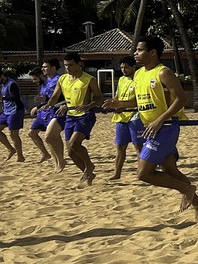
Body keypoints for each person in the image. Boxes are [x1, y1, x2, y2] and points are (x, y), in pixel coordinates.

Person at [103, 35, 198, 220]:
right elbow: (139, 100)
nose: (135, 53)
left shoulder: (163, 72)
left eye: (139, 50)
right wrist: (120, 103)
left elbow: (181, 99)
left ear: (152, 52)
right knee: (171, 171)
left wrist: (160, 119)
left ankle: (187, 189)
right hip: (150, 128)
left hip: (165, 127)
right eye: (136, 50)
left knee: (143, 174)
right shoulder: (139, 73)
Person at [45, 52, 101, 185]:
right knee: (70, 152)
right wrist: (47, 105)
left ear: (79, 64)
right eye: (65, 65)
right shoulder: (63, 79)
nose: (68, 68)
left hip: (85, 115)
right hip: (70, 116)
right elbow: (54, 96)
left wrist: (88, 105)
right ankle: (88, 173)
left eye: (70, 65)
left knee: (75, 143)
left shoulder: (89, 79)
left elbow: (99, 98)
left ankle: (89, 166)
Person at [27, 58, 65, 170]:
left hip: (56, 111)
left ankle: (60, 160)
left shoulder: (60, 80)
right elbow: (45, 97)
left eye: (45, 67)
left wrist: (39, 105)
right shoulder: (46, 81)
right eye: (42, 67)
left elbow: (57, 98)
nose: (42, 69)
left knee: (51, 137)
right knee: (32, 133)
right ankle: (53, 159)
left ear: (53, 68)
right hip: (44, 113)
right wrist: (39, 103)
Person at [111, 56, 140, 180]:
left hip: (135, 115)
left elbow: (139, 100)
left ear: (133, 67)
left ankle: (141, 172)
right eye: (122, 67)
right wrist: (113, 104)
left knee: (138, 146)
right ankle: (117, 174)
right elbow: (117, 96)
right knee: (120, 147)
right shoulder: (122, 80)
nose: (123, 69)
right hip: (121, 117)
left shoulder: (139, 79)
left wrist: (123, 105)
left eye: (126, 67)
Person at [0, 68, 26, 162]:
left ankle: (20, 156)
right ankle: (11, 149)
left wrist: (3, 98)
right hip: (6, 111)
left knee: (13, 134)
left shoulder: (12, 84)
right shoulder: (2, 85)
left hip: (15, 110)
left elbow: (16, 98)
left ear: (1, 75)